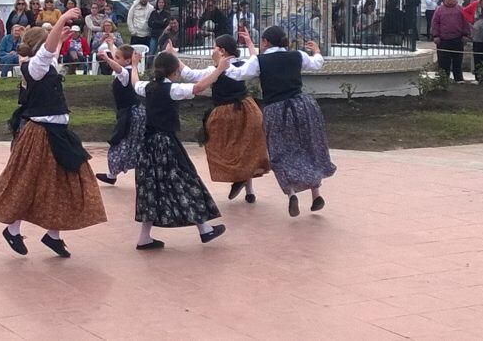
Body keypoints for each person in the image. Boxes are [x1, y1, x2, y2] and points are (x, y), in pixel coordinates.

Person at [0, 9, 107, 258]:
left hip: (57, 132)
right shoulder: (35, 66)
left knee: (61, 183)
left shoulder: (42, 65)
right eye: (48, 42)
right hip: (41, 134)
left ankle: (52, 235)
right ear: (40, 46)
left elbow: (50, 54)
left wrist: (60, 37)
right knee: (30, 183)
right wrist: (61, 19)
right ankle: (12, 229)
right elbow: (47, 54)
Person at [225, 26, 336, 216]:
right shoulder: (297, 56)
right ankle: (316, 194)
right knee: (307, 147)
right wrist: (317, 51)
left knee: (280, 151)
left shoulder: (260, 61)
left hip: (275, 109)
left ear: (267, 42)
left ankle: (292, 193)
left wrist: (221, 64)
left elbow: (239, 74)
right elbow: (317, 63)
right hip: (301, 106)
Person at [129, 51, 229, 250]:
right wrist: (219, 69)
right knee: (186, 181)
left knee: (151, 188)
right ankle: (204, 229)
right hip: (166, 144)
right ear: (175, 71)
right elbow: (198, 87)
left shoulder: (147, 87)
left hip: (148, 145)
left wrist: (133, 64)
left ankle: (145, 238)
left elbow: (134, 82)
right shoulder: (172, 89)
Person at [178, 33, 270, 202]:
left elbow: (190, 75)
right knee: (245, 148)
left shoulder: (217, 69)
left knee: (224, 147)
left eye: (215, 47)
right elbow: (255, 60)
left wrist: (173, 57)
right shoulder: (241, 65)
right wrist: (249, 43)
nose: (212, 50)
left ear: (222, 51)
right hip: (247, 108)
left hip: (227, 113)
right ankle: (249, 191)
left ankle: (241, 181)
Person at [95, 42, 146, 185]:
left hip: (132, 114)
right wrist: (111, 43)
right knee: (132, 143)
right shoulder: (129, 68)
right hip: (132, 112)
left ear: (128, 60)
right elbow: (119, 57)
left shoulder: (125, 73)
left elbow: (117, 67)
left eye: (118, 57)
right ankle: (113, 175)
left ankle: (114, 174)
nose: (115, 58)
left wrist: (106, 58)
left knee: (122, 143)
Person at [431, 0, 471, 82]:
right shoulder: (439, 10)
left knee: (457, 61)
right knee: (444, 62)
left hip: (457, 39)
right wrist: (435, 36)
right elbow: (435, 23)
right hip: (443, 40)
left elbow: (465, 22)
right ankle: (443, 80)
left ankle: (459, 79)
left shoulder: (460, 9)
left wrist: (465, 35)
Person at [462, 0, 483, 83]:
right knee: (478, 59)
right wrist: (472, 21)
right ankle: (480, 80)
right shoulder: (475, 4)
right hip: (478, 37)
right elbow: (464, 11)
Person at [148, 0, 171, 64]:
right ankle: (149, 67)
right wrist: (160, 22)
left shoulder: (166, 13)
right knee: (151, 52)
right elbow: (150, 23)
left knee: (163, 53)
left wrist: (155, 22)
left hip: (163, 36)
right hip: (154, 35)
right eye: (159, 2)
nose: (161, 4)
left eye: (162, 2)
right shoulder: (153, 13)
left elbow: (166, 24)